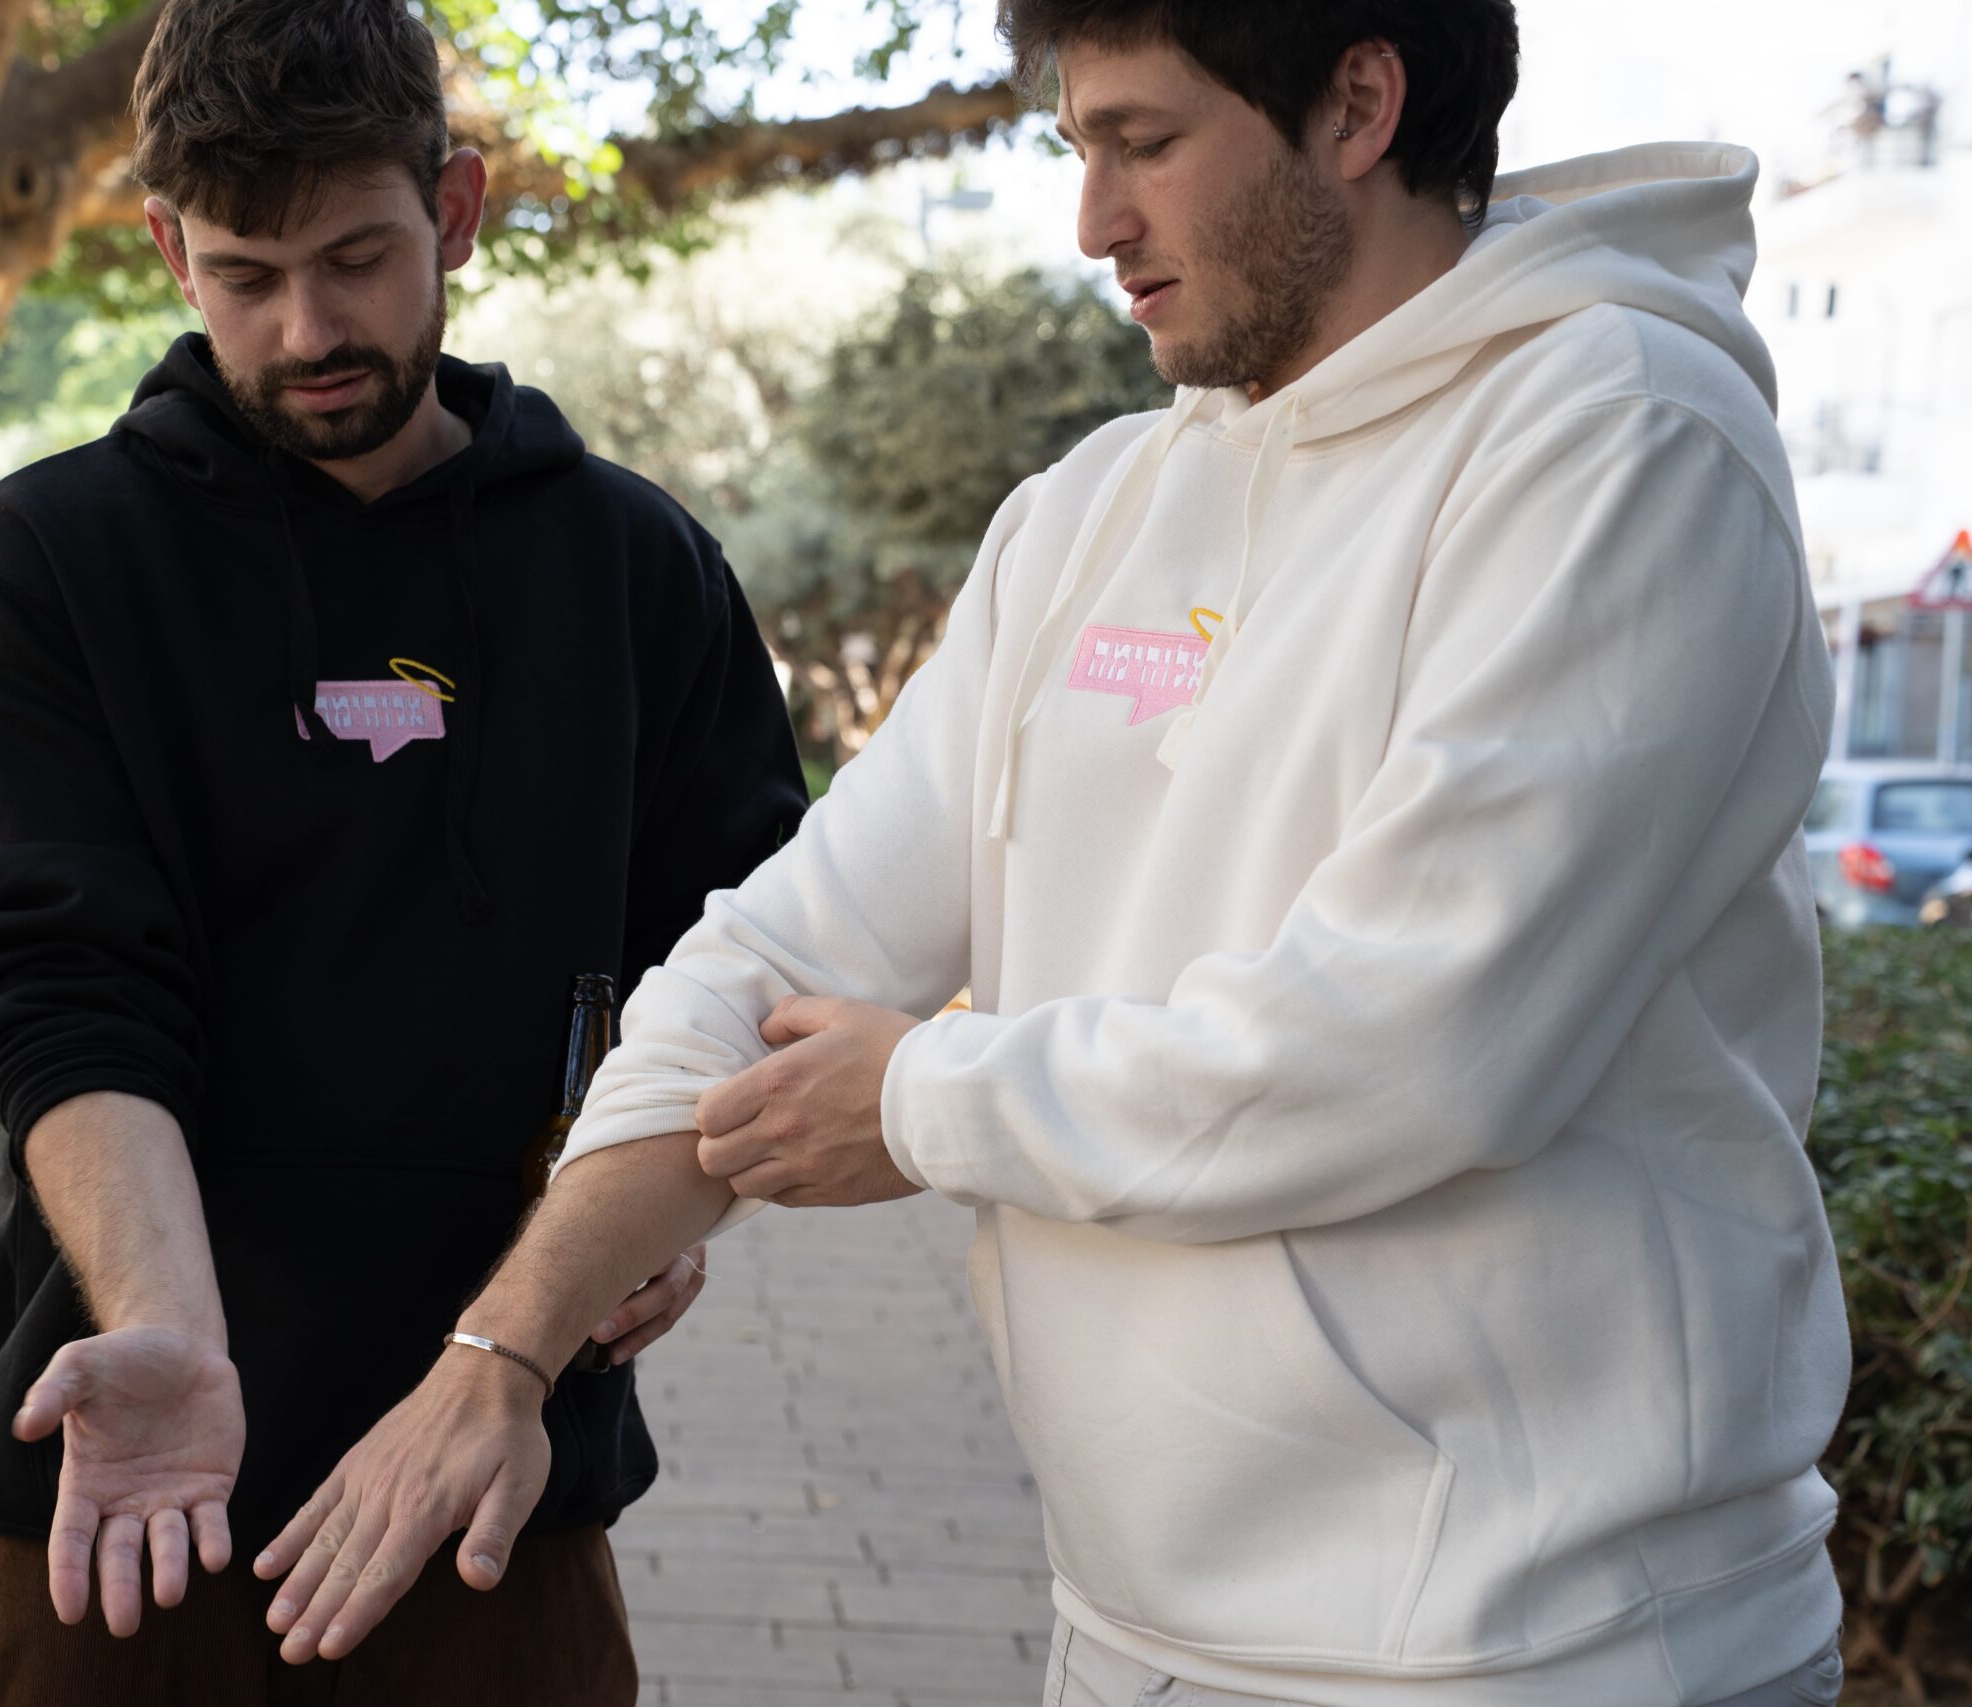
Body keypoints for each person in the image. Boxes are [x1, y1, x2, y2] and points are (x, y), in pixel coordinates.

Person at [256, 5, 1855, 1705]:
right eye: (1077, 148)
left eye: (1144, 143)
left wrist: (921, 1098)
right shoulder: (1092, 511)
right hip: (1131, 1627)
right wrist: (502, 1350)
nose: (1094, 222)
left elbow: (1416, 1040)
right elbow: (773, 957)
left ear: (1359, 104)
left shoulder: (1624, 435)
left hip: (1546, 1643)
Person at [0, 0, 808, 1699]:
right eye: (245, 274)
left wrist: (665, 1201)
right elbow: (61, 993)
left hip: (500, 1472)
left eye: (357, 259)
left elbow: (733, 972)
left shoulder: (636, 569)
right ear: (169, 251)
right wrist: (168, 1328)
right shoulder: (45, 563)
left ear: (455, 209)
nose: (307, 326)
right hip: (137, 1486)